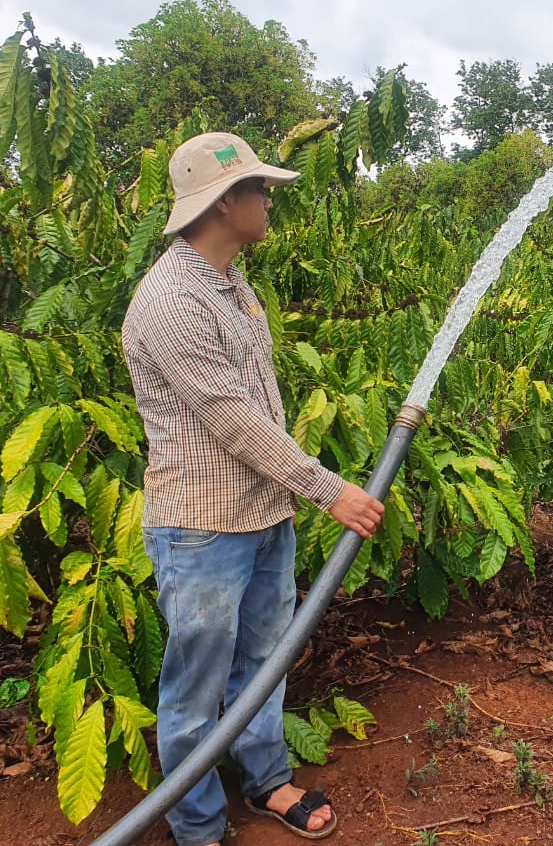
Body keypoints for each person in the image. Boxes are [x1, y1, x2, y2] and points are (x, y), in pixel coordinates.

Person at [122, 131, 384, 845]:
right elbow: (233, 420)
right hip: (202, 527)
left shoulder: (234, 284)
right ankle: (199, 825)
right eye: (258, 190)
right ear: (222, 202)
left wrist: (293, 496)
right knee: (196, 686)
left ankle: (267, 781)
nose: (269, 201)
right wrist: (327, 488)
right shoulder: (171, 301)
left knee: (265, 662)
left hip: (263, 514)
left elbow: (258, 401)